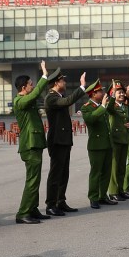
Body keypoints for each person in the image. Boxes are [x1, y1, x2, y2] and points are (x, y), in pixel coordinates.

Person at [44, 68, 86, 216]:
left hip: (64, 140)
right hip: (57, 141)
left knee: (64, 173)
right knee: (56, 174)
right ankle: (51, 204)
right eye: (63, 80)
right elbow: (68, 101)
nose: (65, 83)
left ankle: (60, 201)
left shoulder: (58, 95)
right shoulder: (51, 97)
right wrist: (82, 86)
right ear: (56, 83)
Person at [13, 60, 51, 225]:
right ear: (23, 88)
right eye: (30, 84)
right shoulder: (19, 101)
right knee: (32, 180)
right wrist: (44, 75)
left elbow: (35, 97)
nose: (33, 85)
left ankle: (33, 209)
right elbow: (35, 94)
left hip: (35, 143)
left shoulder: (27, 100)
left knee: (35, 179)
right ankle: (23, 213)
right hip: (29, 145)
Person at [80, 79, 117, 209]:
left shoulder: (104, 105)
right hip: (96, 145)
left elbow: (112, 109)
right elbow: (91, 119)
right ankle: (93, 197)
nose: (102, 92)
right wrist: (102, 106)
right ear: (93, 94)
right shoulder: (86, 108)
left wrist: (112, 95)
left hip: (107, 143)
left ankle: (103, 196)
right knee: (96, 172)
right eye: (100, 91)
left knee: (106, 172)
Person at [106, 81, 129, 201]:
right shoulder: (112, 106)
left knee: (122, 166)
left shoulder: (125, 107)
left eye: (122, 92)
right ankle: (113, 192)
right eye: (119, 93)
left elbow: (127, 120)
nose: (122, 94)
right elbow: (109, 108)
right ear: (113, 94)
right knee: (114, 167)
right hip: (115, 140)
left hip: (124, 138)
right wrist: (112, 97)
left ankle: (120, 190)